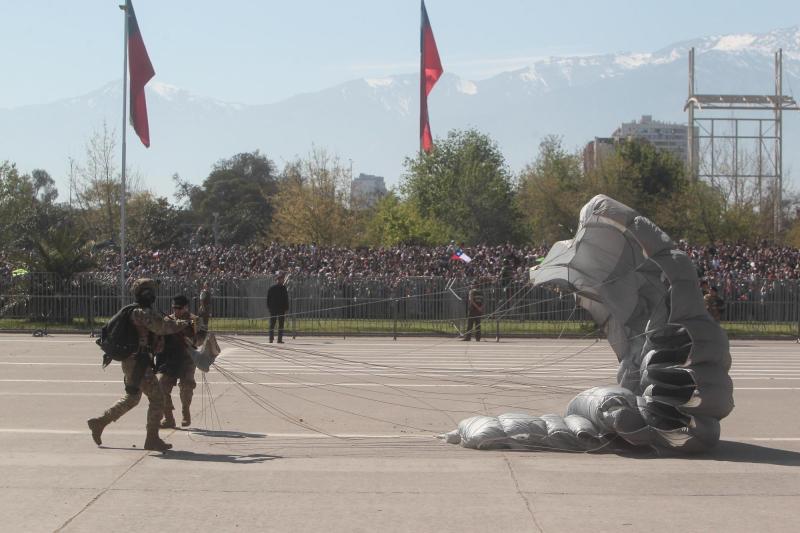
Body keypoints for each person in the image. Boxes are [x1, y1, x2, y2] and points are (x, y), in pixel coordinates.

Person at [87, 278, 192, 451]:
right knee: (158, 398)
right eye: (151, 292)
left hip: (135, 362)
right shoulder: (140, 313)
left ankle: (100, 422)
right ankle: (152, 439)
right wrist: (184, 323)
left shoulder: (137, 311)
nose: (153, 295)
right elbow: (162, 327)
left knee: (133, 398)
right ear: (146, 293)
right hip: (138, 363)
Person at [156, 294, 205, 428]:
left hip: (187, 359)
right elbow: (160, 337)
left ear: (186, 307)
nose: (176, 310)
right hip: (170, 359)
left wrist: (191, 340)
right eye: (174, 308)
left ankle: (185, 411)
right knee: (161, 386)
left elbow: (201, 339)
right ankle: (169, 418)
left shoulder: (194, 320)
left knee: (186, 386)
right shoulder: (168, 320)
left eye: (179, 308)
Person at [267, 272, 289, 343]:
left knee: (279, 324)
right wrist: (269, 307)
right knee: (273, 324)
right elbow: (268, 299)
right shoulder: (273, 288)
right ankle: (271, 338)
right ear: (277, 280)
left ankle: (278, 339)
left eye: (282, 279)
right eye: (280, 279)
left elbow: (286, 299)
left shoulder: (282, 288)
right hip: (277, 308)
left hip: (279, 308)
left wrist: (286, 308)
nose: (281, 280)